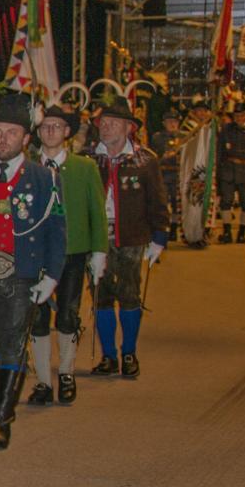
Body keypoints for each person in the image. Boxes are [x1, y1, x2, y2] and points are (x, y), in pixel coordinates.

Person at [0, 93, 67, 449]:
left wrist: (52, 275)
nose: (3, 138)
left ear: (25, 139)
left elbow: (56, 229)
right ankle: (0, 395)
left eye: (11, 132)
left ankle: (2, 418)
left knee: (14, 345)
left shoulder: (43, 179)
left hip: (22, 273)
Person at [27, 105, 106, 407]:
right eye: (45, 126)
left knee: (69, 313)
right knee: (37, 315)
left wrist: (99, 250)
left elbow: (97, 213)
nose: (50, 131)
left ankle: (67, 373)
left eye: (57, 126)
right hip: (37, 252)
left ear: (67, 132)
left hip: (73, 252)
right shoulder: (30, 167)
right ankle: (44, 380)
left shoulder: (84, 168)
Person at [89, 97, 169, 378]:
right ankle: (108, 355)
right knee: (100, 296)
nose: (106, 127)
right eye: (103, 123)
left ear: (128, 128)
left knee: (129, 294)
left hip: (132, 236)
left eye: (112, 123)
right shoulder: (88, 158)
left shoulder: (145, 160)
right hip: (96, 238)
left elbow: (158, 201)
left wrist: (160, 237)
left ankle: (129, 352)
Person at [217, 101, 245, 244]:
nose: (239, 118)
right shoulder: (226, 129)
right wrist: (218, 171)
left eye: (242, 115)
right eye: (236, 115)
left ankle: (242, 233)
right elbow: (220, 151)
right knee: (226, 202)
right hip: (228, 170)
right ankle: (227, 232)